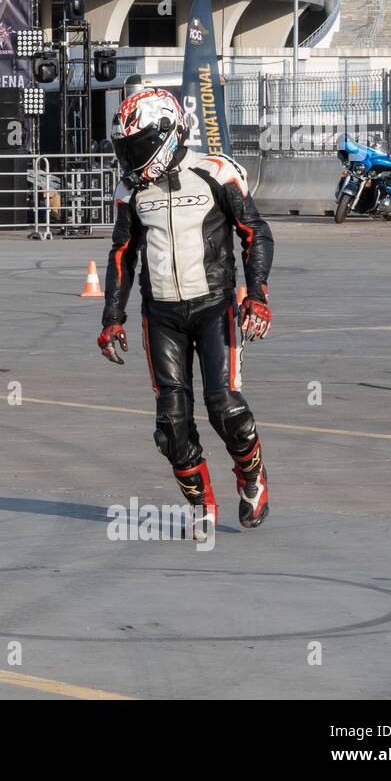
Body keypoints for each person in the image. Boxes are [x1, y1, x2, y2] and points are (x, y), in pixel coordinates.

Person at [97, 88, 276, 537]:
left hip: (215, 307)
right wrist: (111, 317)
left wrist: (257, 295)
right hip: (161, 315)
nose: (130, 157)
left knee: (226, 408)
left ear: (169, 133)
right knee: (170, 425)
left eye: (136, 146)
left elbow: (256, 233)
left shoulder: (216, 171)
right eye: (125, 148)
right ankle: (202, 503)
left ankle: (251, 474)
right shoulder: (129, 190)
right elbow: (121, 254)